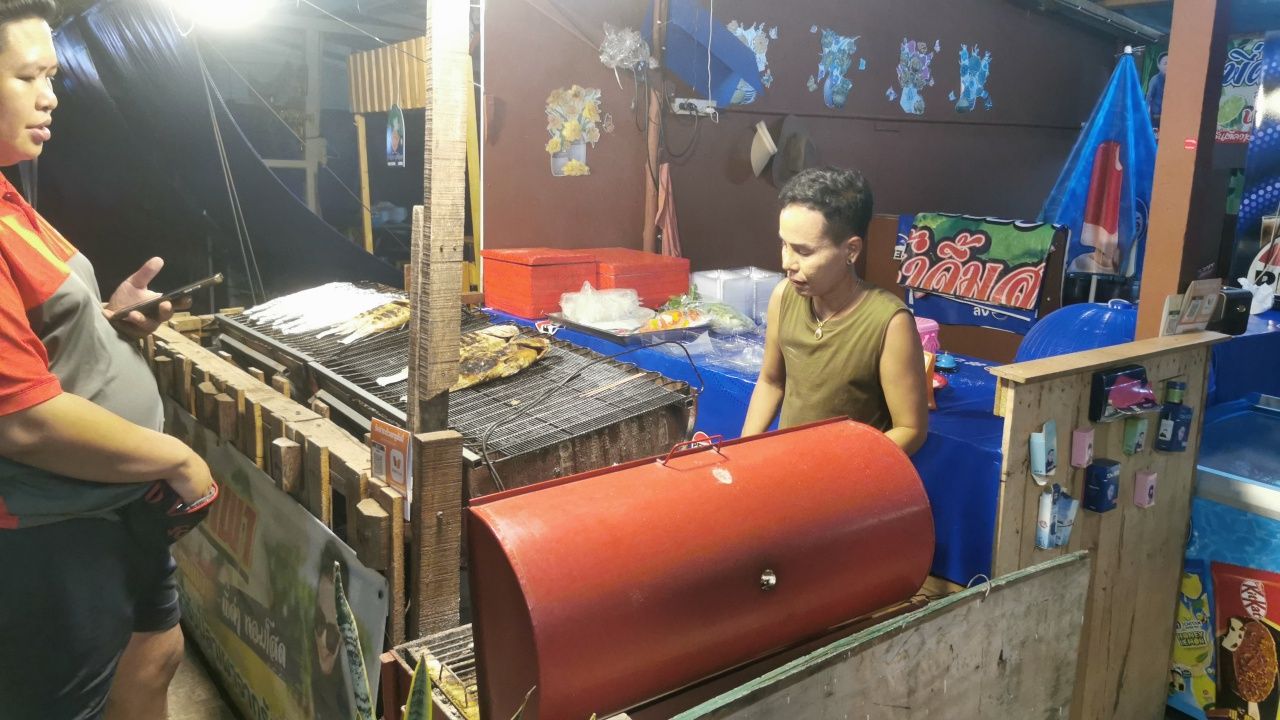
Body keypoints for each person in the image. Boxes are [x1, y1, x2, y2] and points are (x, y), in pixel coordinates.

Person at [0, 2, 214, 717]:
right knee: (66, 698)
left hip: (114, 500)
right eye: (29, 76)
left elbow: (40, 332)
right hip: (53, 524)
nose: (51, 96)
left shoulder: (9, 195)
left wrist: (108, 318)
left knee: (153, 657)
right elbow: (22, 420)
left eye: (52, 77)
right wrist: (177, 458)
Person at [742, 167, 928, 454]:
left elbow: (911, 429)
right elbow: (771, 381)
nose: (787, 263)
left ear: (851, 250)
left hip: (849, 474)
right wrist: (742, 452)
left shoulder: (889, 323)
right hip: (789, 464)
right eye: (784, 245)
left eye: (804, 251)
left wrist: (839, 470)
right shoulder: (783, 296)